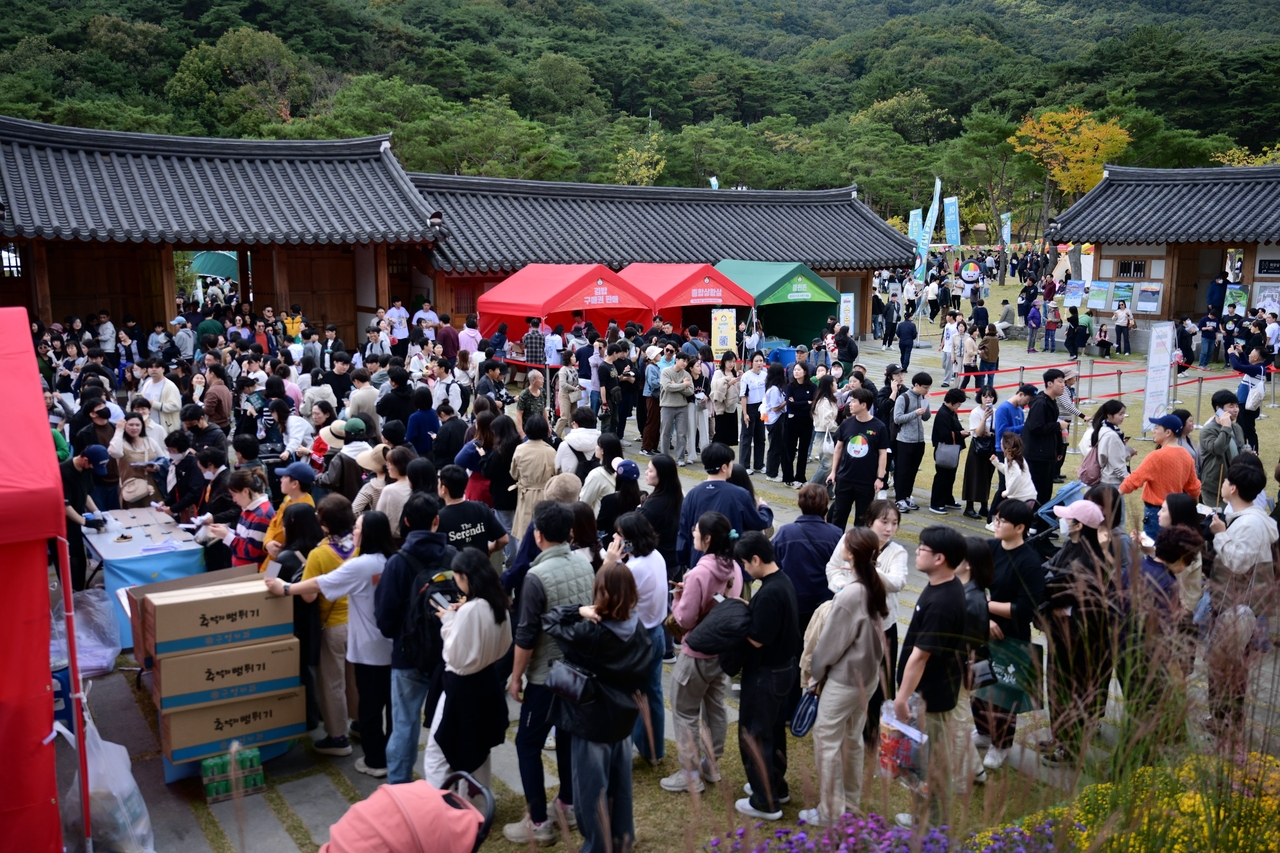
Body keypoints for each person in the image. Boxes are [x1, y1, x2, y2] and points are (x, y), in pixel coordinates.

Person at [266, 510, 395, 775]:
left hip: (331, 629)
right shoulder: (367, 554)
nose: (355, 531)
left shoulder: (309, 555)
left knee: (332, 684)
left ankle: (340, 738)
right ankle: (367, 732)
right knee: (368, 692)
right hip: (374, 636)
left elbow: (305, 591)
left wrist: (283, 583)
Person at [541, 562, 650, 853]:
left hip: (591, 723)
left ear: (601, 593)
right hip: (624, 720)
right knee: (622, 788)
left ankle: (597, 847)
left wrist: (579, 610)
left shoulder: (590, 634)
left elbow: (549, 620)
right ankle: (622, 840)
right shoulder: (638, 629)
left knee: (591, 792)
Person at [504, 502, 595, 844]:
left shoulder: (535, 577)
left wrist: (515, 677)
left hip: (545, 675)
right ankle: (567, 805)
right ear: (569, 533)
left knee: (527, 743)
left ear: (538, 536)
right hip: (576, 669)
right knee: (568, 736)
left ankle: (539, 822)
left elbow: (526, 635)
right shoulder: (585, 565)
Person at [800, 528, 886, 826]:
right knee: (852, 740)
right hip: (866, 678)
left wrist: (815, 675)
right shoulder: (871, 585)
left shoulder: (851, 592)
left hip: (845, 681)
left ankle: (830, 811)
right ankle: (849, 802)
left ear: (850, 553)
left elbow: (830, 645)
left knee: (826, 741)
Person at [374, 494, 456, 784]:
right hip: (448, 655)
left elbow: (384, 619)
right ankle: (449, 782)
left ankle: (400, 786)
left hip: (407, 655)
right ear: (437, 521)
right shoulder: (452, 556)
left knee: (404, 724)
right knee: (449, 721)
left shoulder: (398, 562)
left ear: (406, 522)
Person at [893, 526, 967, 828]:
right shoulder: (939, 585)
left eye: (923, 548)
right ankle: (922, 815)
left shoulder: (944, 601)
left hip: (931, 697)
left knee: (932, 764)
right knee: (919, 761)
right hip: (926, 693)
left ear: (940, 558)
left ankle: (935, 827)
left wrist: (901, 698)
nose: (918, 551)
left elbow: (920, 655)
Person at [421, 548, 512, 790]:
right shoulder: (499, 603)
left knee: (438, 753)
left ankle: (442, 811)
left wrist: (449, 620)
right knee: (478, 751)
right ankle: (477, 810)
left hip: (460, 688)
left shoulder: (470, 610)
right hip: (486, 682)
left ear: (466, 578)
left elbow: (453, 654)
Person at [968, 499, 1044, 769]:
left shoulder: (1029, 562)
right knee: (977, 685)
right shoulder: (989, 549)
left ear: (1020, 527)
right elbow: (970, 585)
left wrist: (987, 606)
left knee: (1003, 693)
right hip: (982, 629)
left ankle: (1001, 744)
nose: (995, 524)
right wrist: (985, 616)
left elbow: (1025, 608)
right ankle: (983, 731)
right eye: (995, 518)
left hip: (1011, 636)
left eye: (1001, 521)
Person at [1205, 458, 1279, 734]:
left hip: (1237, 609)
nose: (1222, 484)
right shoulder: (1253, 518)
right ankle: (1224, 719)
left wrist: (1220, 535)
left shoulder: (1249, 524)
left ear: (1233, 488)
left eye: (1226, 481)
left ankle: (1224, 721)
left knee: (1227, 670)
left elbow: (1237, 563)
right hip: (1238, 606)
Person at [1038, 500, 1113, 768]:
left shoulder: (1090, 558)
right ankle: (1060, 736)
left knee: (1070, 689)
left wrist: (1046, 595)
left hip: (1077, 634)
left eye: (1068, 518)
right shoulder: (1076, 545)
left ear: (1080, 525)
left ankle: (1069, 746)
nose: (1063, 521)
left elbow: (1056, 585)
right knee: (1058, 686)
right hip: (1062, 630)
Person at [732, 532, 800, 821]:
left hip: (765, 674)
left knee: (754, 734)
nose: (745, 570)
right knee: (772, 731)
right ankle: (775, 785)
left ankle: (765, 801)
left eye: (746, 564)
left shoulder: (771, 592)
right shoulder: (781, 582)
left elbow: (758, 638)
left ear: (756, 559)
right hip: (783, 670)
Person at [598, 512, 668, 763]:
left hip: (637, 639)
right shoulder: (656, 557)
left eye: (619, 535)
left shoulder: (632, 569)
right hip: (657, 633)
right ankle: (654, 750)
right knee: (653, 693)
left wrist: (609, 562)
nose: (615, 538)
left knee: (629, 697)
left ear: (631, 540)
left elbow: (604, 595)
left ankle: (626, 748)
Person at [676, 443, 773, 568]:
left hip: (700, 564)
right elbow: (758, 522)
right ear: (724, 467)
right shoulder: (739, 494)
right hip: (730, 565)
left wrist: (685, 561)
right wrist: (764, 508)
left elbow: (683, 532)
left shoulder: (692, 495)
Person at [1120, 413, 1202, 539]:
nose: (1153, 431)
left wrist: (1117, 492)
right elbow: (1194, 487)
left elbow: (1135, 479)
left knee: (1153, 548)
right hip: (1175, 511)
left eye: (1157, 428)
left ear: (1168, 432)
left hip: (1156, 513)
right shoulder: (1186, 455)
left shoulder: (1156, 456)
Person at [773, 484, 842, 630]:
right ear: (825, 505)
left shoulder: (786, 532)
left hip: (793, 599)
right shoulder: (836, 534)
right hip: (823, 600)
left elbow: (773, 564)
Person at [826, 387, 889, 529]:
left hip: (866, 481)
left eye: (854, 401)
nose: (850, 404)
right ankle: (834, 546)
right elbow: (839, 448)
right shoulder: (847, 423)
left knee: (862, 519)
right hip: (845, 478)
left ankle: (858, 547)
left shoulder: (879, 427)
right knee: (839, 515)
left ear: (864, 405)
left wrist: (880, 478)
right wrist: (833, 472)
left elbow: (882, 454)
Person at [61, 445, 110, 590]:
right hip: (62, 521)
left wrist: (97, 513)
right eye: (92, 466)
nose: (92, 469)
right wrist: (85, 522)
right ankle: (72, 591)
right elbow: (64, 506)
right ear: (85, 459)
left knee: (80, 557)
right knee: (72, 559)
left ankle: (81, 588)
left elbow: (86, 494)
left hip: (76, 515)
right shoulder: (64, 472)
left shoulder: (87, 469)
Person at [436, 463, 509, 555]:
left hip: (454, 567)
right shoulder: (481, 508)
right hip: (481, 565)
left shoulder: (439, 518)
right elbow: (504, 539)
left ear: (443, 489)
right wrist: (489, 549)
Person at [207, 468, 275, 566]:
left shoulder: (261, 515)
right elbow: (244, 537)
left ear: (246, 491)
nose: (234, 500)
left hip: (252, 572)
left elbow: (251, 551)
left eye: (234, 495)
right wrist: (227, 531)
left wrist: (227, 536)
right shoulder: (248, 508)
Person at [1023, 369, 1069, 505]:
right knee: (1038, 491)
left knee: (1046, 490)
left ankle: (1039, 521)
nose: (1063, 385)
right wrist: (1057, 425)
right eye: (1060, 382)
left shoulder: (1051, 401)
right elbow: (1036, 427)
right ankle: (1033, 522)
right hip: (1037, 455)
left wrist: (1058, 449)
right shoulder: (1040, 402)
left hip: (1047, 453)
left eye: (1064, 382)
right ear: (1049, 383)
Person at [892, 372, 933, 513]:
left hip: (919, 440)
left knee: (913, 471)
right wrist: (915, 413)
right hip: (904, 440)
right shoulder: (903, 398)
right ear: (916, 385)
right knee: (902, 471)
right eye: (925, 387)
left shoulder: (922, 397)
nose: (927, 390)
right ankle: (899, 499)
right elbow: (897, 418)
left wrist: (926, 402)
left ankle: (907, 496)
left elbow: (926, 417)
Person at [107, 412, 165, 508]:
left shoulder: (150, 441)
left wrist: (156, 467)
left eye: (138, 425)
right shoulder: (121, 443)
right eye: (131, 425)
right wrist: (119, 430)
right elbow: (114, 452)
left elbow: (164, 461)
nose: (134, 428)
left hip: (152, 488)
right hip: (131, 489)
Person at [1199, 390, 1245, 508]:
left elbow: (1240, 448)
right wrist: (1225, 427)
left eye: (1236, 405)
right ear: (1218, 409)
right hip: (1215, 486)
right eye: (1231, 406)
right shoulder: (1208, 430)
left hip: (1236, 482)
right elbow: (1217, 449)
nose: (1236, 409)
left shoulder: (1236, 427)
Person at [929, 388, 969, 514]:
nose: (958, 406)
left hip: (951, 449)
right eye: (958, 404)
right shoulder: (943, 414)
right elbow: (944, 435)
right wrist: (960, 434)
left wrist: (962, 432)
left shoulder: (951, 412)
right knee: (942, 477)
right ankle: (936, 503)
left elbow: (955, 428)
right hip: (944, 450)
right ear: (952, 402)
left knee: (950, 476)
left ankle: (947, 498)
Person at [1227, 342, 1266, 450]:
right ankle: (1242, 451)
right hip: (1244, 404)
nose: (1249, 355)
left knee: (1249, 432)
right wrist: (1241, 353)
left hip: (1246, 406)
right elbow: (1247, 366)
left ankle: (1254, 453)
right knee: (1241, 430)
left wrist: (1232, 354)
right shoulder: (1259, 367)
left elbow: (1237, 366)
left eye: (1251, 354)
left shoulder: (1257, 369)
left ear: (1256, 358)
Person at [659, 351, 695, 465]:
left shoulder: (687, 374)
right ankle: (664, 457)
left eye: (686, 361)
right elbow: (667, 387)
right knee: (665, 432)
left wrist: (676, 385)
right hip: (667, 406)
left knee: (682, 433)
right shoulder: (666, 372)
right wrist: (683, 385)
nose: (685, 363)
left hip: (682, 407)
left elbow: (690, 392)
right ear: (677, 359)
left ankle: (680, 458)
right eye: (683, 361)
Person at [738, 352, 767, 472]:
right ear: (751, 362)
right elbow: (743, 396)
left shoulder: (765, 375)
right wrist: (745, 413)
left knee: (760, 437)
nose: (759, 363)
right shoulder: (746, 376)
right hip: (749, 408)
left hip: (762, 408)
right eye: (757, 361)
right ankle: (744, 465)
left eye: (761, 360)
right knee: (746, 437)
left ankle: (759, 465)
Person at [710, 352, 741, 446]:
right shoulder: (718, 373)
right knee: (720, 433)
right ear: (724, 361)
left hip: (732, 407)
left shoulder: (734, 373)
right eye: (729, 361)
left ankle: (727, 456)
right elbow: (715, 387)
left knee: (730, 435)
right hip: (721, 408)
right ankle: (716, 454)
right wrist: (728, 383)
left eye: (733, 361)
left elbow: (738, 389)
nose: (731, 364)